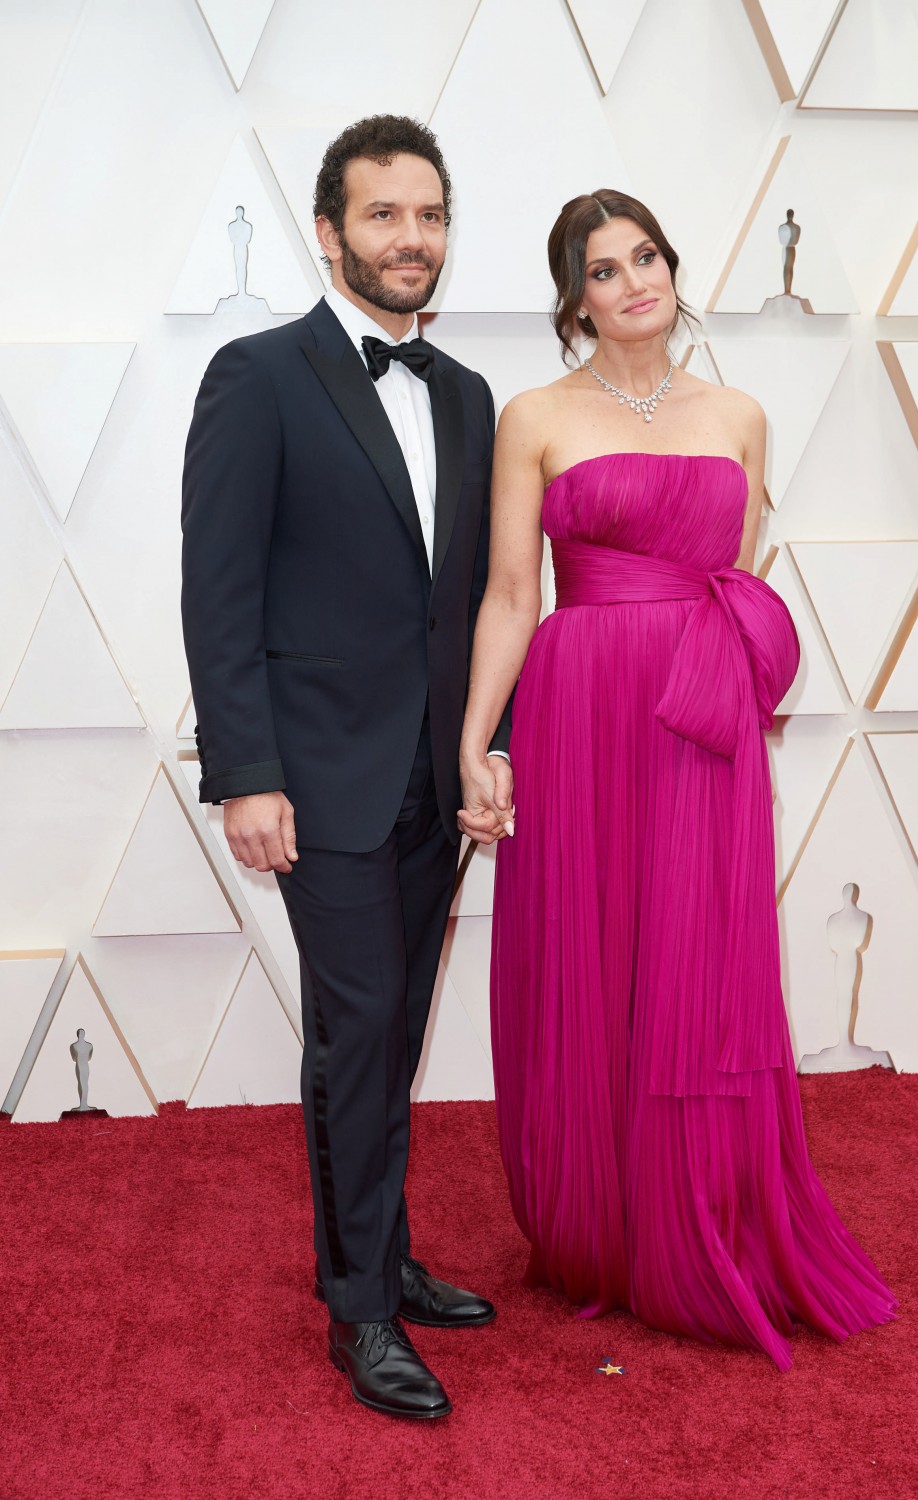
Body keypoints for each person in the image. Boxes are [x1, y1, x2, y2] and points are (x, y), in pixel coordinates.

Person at [458, 189, 896, 1370]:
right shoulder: (535, 417)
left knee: (697, 959)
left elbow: (729, 575)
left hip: (697, 715)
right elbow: (512, 593)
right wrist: (475, 737)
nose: (632, 282)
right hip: (580, 704)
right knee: (593, 953)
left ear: (670, 266)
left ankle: (701, 1214)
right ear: (575, 297)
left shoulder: (740, 413)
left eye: (644, 257)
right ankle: (604, 1225)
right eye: (602, 270)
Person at [181, 114, 512, 1421]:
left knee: (399, 1030)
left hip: (434, 779)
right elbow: (220, 592)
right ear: (331, 233)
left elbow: (481, 594)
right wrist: (246, 772)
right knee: (360, 1027)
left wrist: (490, 745)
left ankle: (384, 1254)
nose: (411, 238)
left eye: (428, 216)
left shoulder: (469, 397)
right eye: (385, 215)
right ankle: (360, 1309)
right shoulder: (255, 376)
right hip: (316, 779)